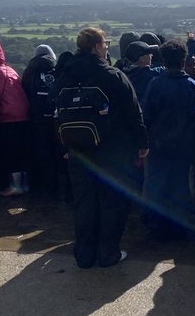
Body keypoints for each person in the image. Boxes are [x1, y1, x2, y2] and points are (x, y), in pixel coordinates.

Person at [56, 27, 148, 269]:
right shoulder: (112, 76)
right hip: (112, 149)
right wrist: (142, 144)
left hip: (77, 148)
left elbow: (58, 112)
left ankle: (84, 255)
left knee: (84, 202)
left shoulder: (66, 74)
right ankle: (108, 253)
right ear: (97, 46)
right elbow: (133, 112)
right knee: (111, 202)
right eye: (105, 44)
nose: (107, 47)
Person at [141, 40, 195, 241]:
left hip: (159, 144)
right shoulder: (193, 86)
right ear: (183, 60)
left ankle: (155, 227)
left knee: (155, 185)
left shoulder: (155, 84)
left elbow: (147, 115)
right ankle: (178, 228)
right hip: (184, 145)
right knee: (180, 186)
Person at [0, 39, 30, 196]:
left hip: (7, 117)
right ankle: (25, 184)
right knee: (22, 151)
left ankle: (15, 186)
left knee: (10, 153)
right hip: (23, 115)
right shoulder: (11, 70)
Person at [21, 44, 60, 197]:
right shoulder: (57, 70)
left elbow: (23, 93)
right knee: (57, 153)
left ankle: (42, 188)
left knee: (40, 152)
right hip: (56, 119)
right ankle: (58, 188)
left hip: (36, 120)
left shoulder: (29, 72)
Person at [124, 41, 160, 106]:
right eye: (149, 54)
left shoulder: (123, 73)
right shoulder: (149, 74)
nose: (151, 55)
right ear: (142, 59)